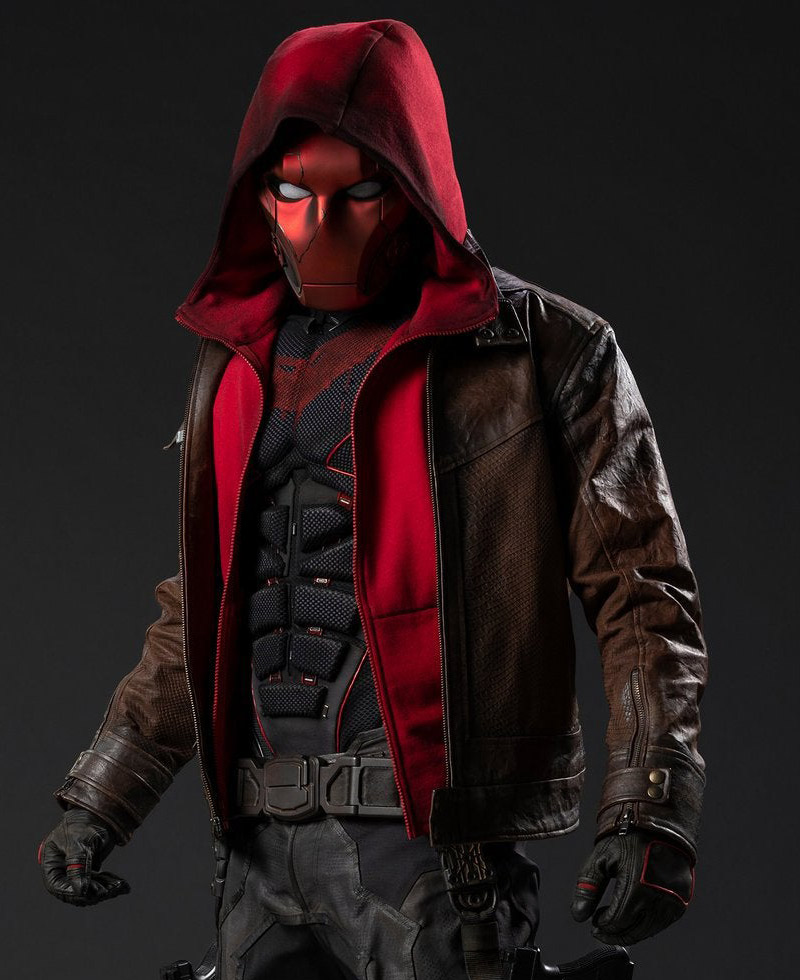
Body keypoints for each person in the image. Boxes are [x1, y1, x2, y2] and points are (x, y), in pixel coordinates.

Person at [38, 19, 707, 980]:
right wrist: (103, 798)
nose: (323, 226)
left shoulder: (542, 351)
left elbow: (644, 596)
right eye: (293, 191)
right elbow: (204, 608)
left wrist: (651, 806)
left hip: (429, 852)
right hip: (258, 852)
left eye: (360, 192)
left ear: (415, 185)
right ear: (256, 192)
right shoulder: (235, 366)